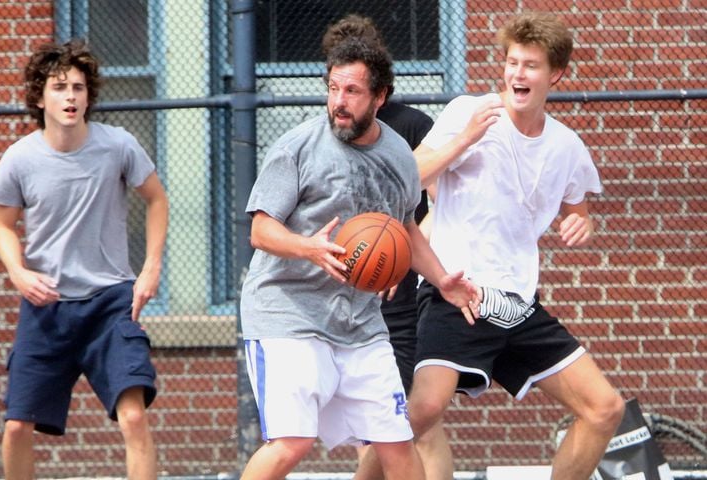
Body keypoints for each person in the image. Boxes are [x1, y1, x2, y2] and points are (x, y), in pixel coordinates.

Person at [362, 12, 626, 480]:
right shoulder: (470, 112)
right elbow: (411, 177)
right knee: (420, 413)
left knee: (605, 409)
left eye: (531, 66)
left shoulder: (567, 147)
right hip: (457, 291)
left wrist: (579, 224)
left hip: (516, 303)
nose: (517, 74)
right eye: (511, 63)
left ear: (556, 75)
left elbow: (577, 208)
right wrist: (465, 140)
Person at [238, 27, 480, 480]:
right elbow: (261, 230)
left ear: (380, 96)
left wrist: (442, 278)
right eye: (333, 88)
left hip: (359, 323)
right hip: (287, 312)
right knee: (292, 443)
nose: (339, 102)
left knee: (397, 443)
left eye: (352, 91)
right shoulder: (297, 148)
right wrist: (307, 247)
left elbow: (403, 227)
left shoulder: (399, 157)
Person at [0, 39, 168, 480]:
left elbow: (157, 199)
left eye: (79, 88)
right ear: (39, 97)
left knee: (135, 417)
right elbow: (3, 226)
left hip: (110, 304)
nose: (71, 97)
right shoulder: (20, 159)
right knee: (16, 428)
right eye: (60, 87)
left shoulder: (118, 145)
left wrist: (151, 267)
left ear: (89, 95)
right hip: (46, 308)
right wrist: (18, 272)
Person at [320, 14, 456, 480]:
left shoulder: (414, 127)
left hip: (400, 292)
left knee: (409, 421)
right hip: (345, 295)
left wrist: (400, 259)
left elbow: (443, 206)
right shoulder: (327, 133)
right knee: (378, 425)